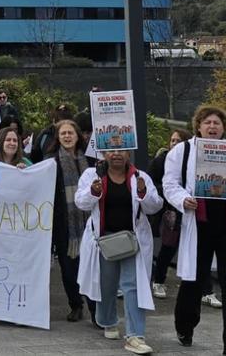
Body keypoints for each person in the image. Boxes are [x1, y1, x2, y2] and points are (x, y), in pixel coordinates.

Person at [164, 106, 226, 356]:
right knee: (193, 281)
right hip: (199, 226)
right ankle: (185, 326)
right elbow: (170, 183)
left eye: (217, 123)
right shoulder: (183, 151)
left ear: (223, 128)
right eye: (207, 122)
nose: (212, 127)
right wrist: (183, 199)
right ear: (198, 126)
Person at [75, 149, 163, 354]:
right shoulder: (92, 175)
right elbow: (81, 202)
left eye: (121, 150)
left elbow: (155, 207)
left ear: (129, 153)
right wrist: (93, 191)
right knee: (107, 284)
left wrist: (143, 192)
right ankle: (107, 320)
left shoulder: (140, 176)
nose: (116, 154)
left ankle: (135, 336)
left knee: (133, 286)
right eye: (111, 150)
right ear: (103, 153)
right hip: (104, 241)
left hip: (132, 241)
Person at [43, 119, 94, 323]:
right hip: (64, 224)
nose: (67, 136)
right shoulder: (51, 161)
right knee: (69, 268)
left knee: (91, 267)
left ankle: (95, 309)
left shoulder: (90, 160)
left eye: (70, 133)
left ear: (77, 136)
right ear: (58, 137)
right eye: (63, 133)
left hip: (90, 222)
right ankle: (75, 304)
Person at [148, 128, 187, 299]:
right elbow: (151, 183)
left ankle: (206, 290)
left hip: (188, 210)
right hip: (169, 211)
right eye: (172, 140)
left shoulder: (191, 162)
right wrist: (169, 191)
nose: (175, 144)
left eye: (179, 141)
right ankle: (158, 280)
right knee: (168, 246)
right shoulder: (160, 161)